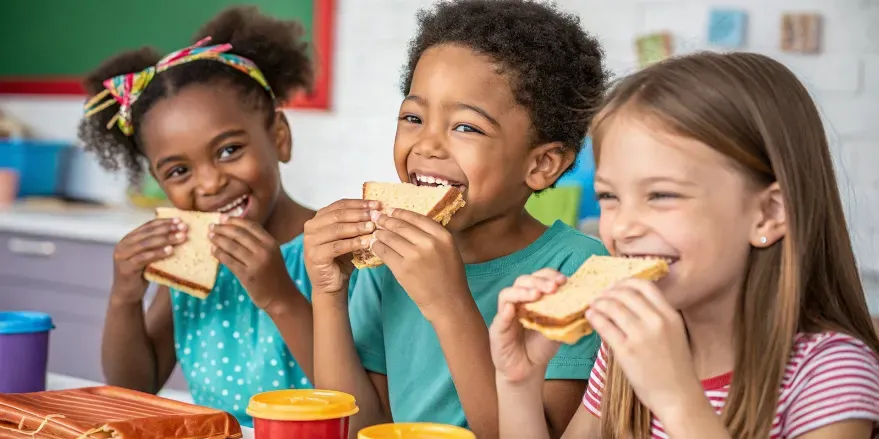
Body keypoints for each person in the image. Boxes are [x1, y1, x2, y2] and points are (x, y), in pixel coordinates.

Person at [490, 51, 879, 439]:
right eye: (609, 196)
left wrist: (676, 399)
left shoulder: (830, 373)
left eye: (660, 195)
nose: (623, 227)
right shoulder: (624, 348)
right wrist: (518, 383)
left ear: (768, 214)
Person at [302, 0, 608, 437]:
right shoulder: (384, 258)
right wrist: (328, 294)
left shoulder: (576, 271)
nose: (426, 144)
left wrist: (448, 304)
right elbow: (357, 427)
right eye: (413, 117)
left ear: (541, 165)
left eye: (465, 127)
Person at [78, 6, 318, 426]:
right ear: (158, 180)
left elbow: (360, 398)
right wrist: (125, 296)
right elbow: (136, 387)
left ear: (279, 137)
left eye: (229, 150)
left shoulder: (336, 247)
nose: (208, 185)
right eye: (179, 171)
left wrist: (280, 297)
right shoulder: (191, 269)